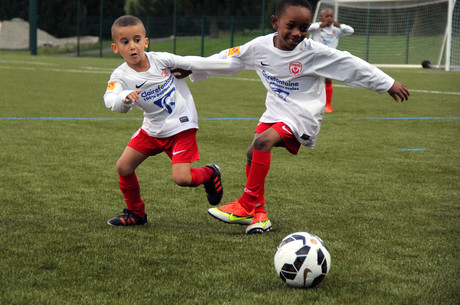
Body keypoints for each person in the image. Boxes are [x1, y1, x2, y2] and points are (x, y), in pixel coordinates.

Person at [192, 0, 409, 234]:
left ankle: (246, 205)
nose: (297, 33)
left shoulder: (313, 53)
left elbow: (350, 64)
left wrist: (387, 83)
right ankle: (260, 215)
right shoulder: (259, 46)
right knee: (252, 152)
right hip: (276, 109)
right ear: (275, 23)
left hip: (303, 115)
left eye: (304, 28)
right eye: (291, 26)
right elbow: (227, 57)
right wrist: (192, 67)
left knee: (262, 142)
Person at [104, 15, 237, 226]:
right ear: (115, 47)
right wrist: (123, 98)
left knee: (182, 179)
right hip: (152, 129)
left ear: (146, 42)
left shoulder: (161, 59)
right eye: (125, 42)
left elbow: (193, 62)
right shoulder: (119, 75)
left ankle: (210, 173)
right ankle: (136, 213)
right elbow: (110, 98)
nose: (132, 46)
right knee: (124, 167)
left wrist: (231, 62)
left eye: (137, 40)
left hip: (181, 125)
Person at [308, 8, 354, 113]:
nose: (329, 18)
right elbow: (307, 28)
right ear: (321, 18)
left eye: (331, 16)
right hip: (316, 57)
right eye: (326, 16)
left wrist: (339, 25)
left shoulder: (336, 30)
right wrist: (320, 25)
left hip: (329, 59)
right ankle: (312, 103)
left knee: (328, 79)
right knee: (313, 80)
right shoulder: (316, 28)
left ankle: (327, 105)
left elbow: (351, 30)